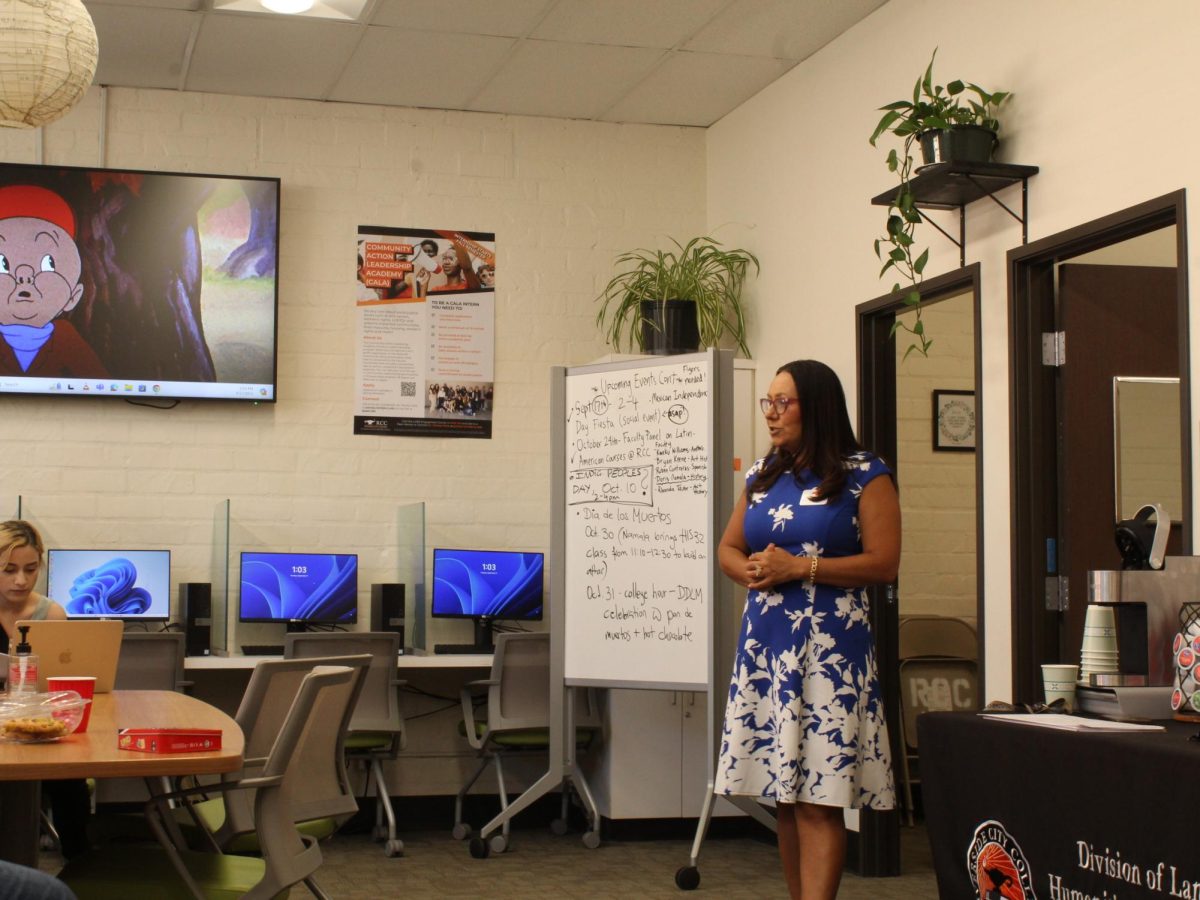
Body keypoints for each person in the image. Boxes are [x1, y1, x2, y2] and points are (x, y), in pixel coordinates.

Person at [714, 360, 900, 900]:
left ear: (815, 405)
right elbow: (729, 547)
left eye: (782, 402)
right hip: (768, 651)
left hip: (829, 655)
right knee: (784, 798)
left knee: (819, 799)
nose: (771, 414)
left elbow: (884, 563)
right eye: (766, 402)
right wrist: (748, 569)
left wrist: (801, 569)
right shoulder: (762, 474)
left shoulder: (865, 473)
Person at [0, 520, 91, 861]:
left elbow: (61, 682)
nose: (21, 580)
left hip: (36, 725)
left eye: (30, 569)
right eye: (8, 570)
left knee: (69, 776)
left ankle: (81, 863)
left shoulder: (50, 613)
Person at [0, 185, 108, 378]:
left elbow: (98, 379)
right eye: (3, 264)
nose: (24, 276)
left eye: (48, 264)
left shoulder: (66, 338)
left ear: (73, 296)